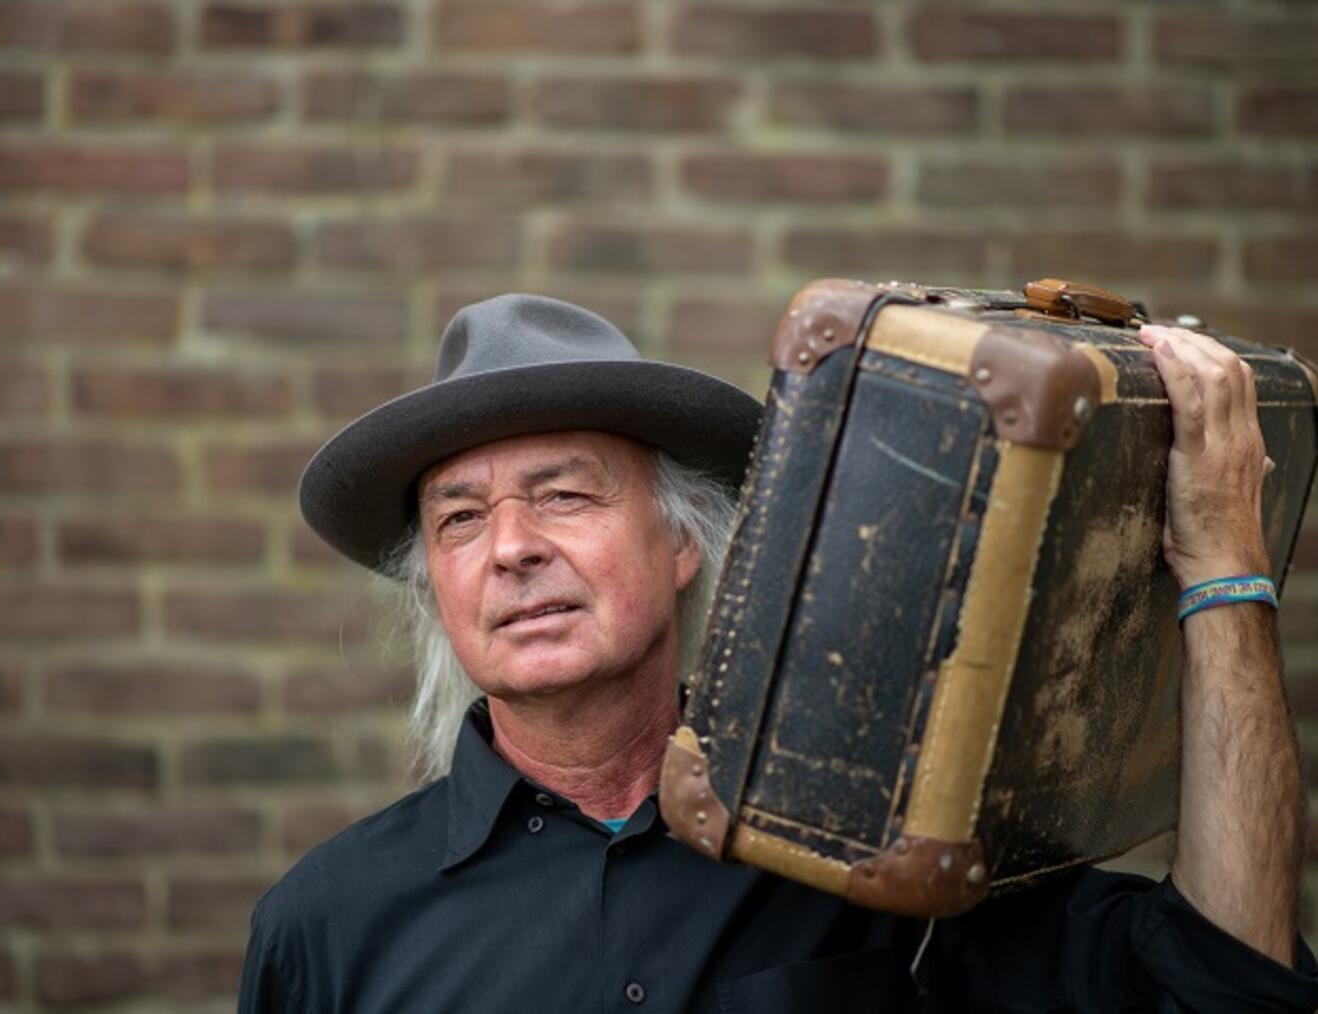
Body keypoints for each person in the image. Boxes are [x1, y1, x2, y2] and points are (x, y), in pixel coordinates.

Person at [239, 293, 1318, 1012]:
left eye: (565, 495)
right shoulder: (327, 926)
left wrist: (1225, 569)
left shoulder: (878, 843)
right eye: (460, 521)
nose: (513, 548)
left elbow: (1227, 979)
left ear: (682, 547)